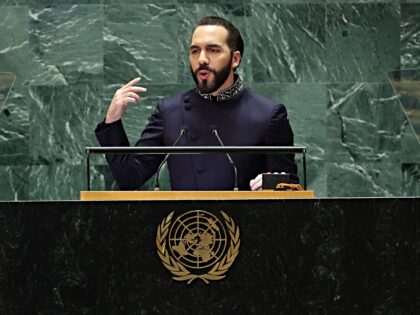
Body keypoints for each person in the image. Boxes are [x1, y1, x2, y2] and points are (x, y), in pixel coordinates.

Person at [95, 16, 298, 191]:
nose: (202, 59)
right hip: (184, 231)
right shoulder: (170, 111)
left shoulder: (268, 114)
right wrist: (112, 120)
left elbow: (291, 186)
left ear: (235, 59)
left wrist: (273, 183)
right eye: (195, 51)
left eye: (213, 50)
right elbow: (131, 176)